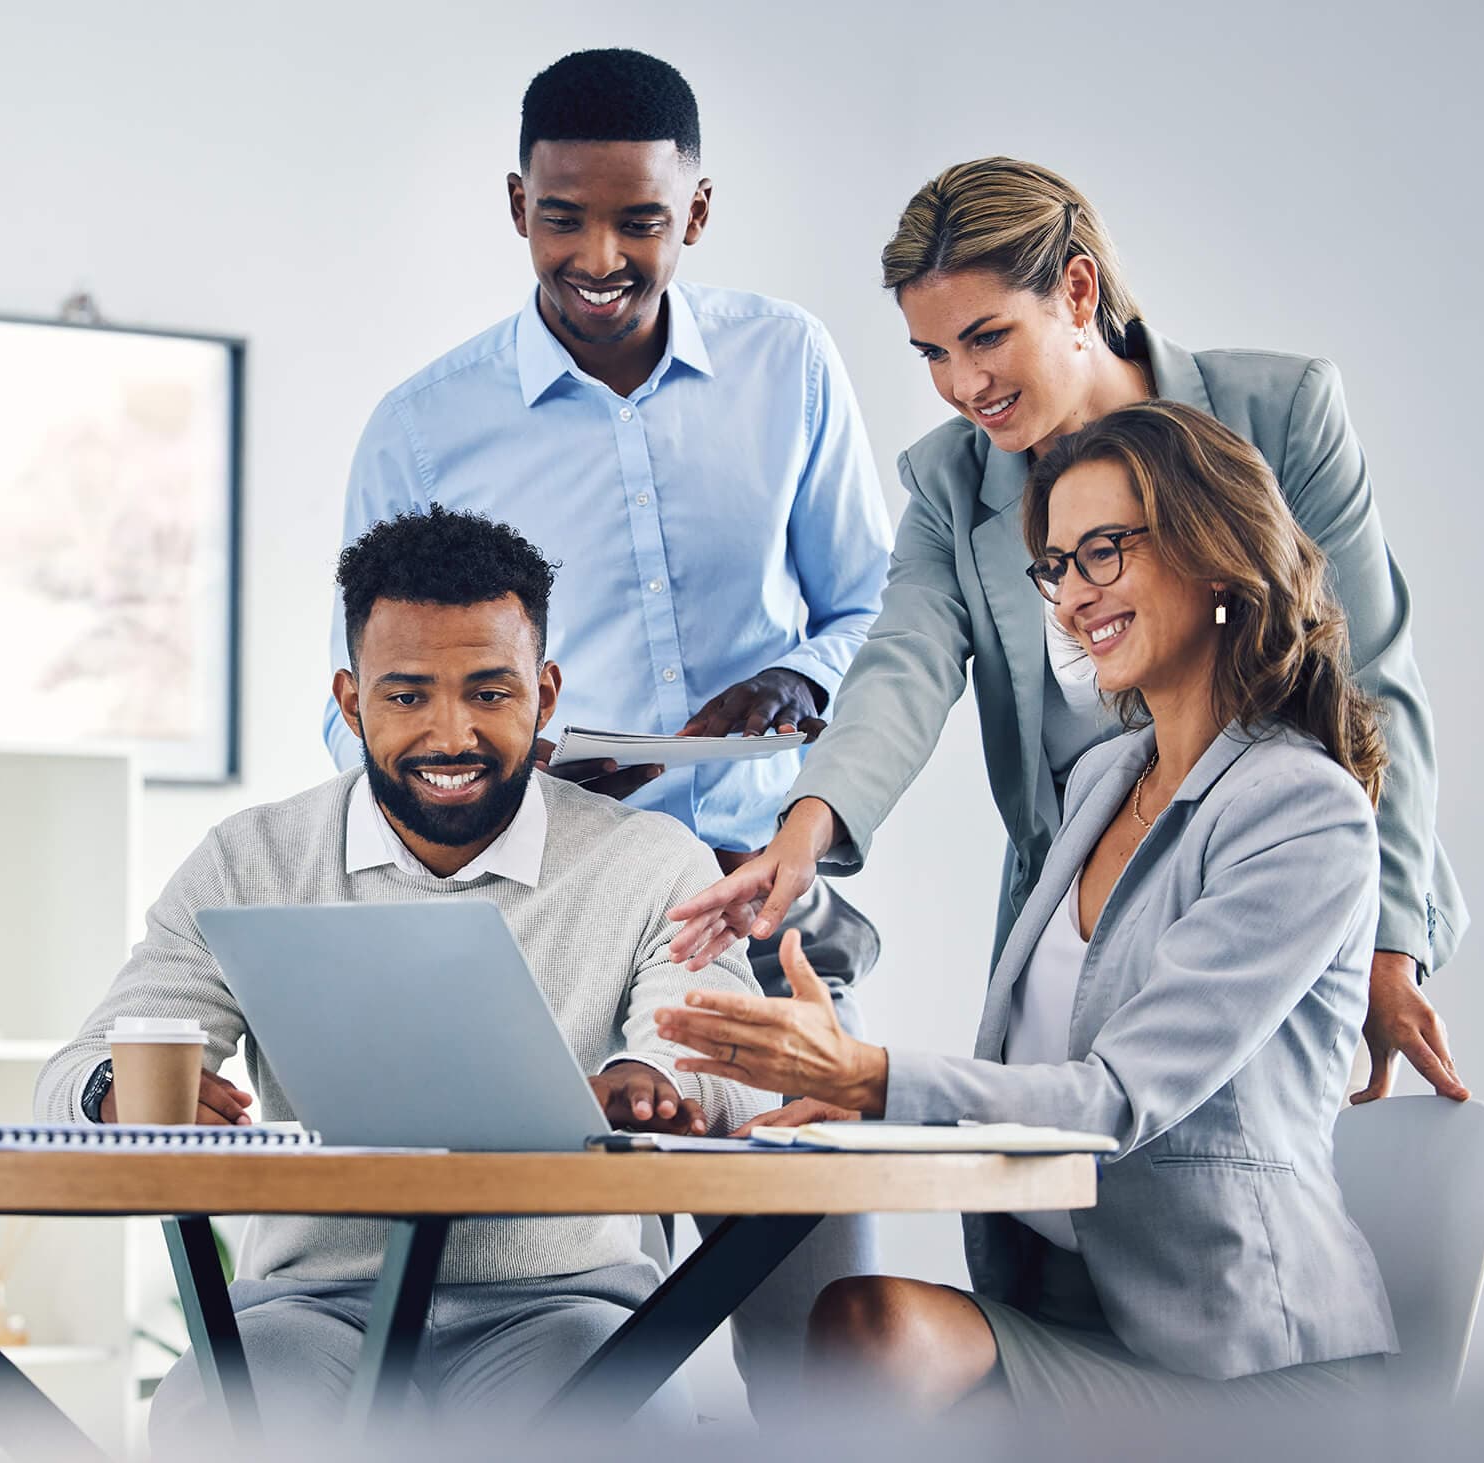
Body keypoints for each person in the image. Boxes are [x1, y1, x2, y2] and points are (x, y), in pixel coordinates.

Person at [322, 47, 895, 1413]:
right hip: (549, 928)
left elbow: (880, 607)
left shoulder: (789, 365)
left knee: (826, 1342)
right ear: (517, 203)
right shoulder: (424, 426)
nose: (601, 254)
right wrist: (505, 763)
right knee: (565, 1347)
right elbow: (358, 713)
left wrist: (795, 688)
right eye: (565, 215)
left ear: (694, 213)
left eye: (639, 219)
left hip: (767, 916)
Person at [669, 157, 1467, 1107]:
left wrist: (1388, 946)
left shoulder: (1279, 416)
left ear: (1077, 290)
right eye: (931, 354)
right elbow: (902, 666)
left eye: (986, 336)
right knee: (1050, 1202)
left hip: (1272, 882)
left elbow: (1371, 677)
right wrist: (799, 837)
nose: (964, 384)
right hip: (1079, 904)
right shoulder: (952, 482)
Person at [656, 402, 1396, 1409]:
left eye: (1104, 551)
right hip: (1056, 1308)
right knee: (855, 1318)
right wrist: (850, 1097)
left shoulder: (1302, 810)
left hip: (1242, 1358)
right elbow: (1026, 1075)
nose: (1073, 595)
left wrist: (877, 1078)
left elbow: (1112, 1098)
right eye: (1055, 566)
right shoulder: (1102, 780)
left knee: (867, 1333)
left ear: (1216, 555)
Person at [38, 505, 772, 1441]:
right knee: (227, 1418)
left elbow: (725, 1060)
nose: (450, 734)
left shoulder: (650, 860)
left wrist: (664, 1084)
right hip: (312, 1313)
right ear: (351, 702)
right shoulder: (249, 857)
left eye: (490, 693)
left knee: (621, 1424)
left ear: (545, 694)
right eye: (408, 694)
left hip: (561, 1308)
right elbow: (81, 1065)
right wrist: (115, 1093)